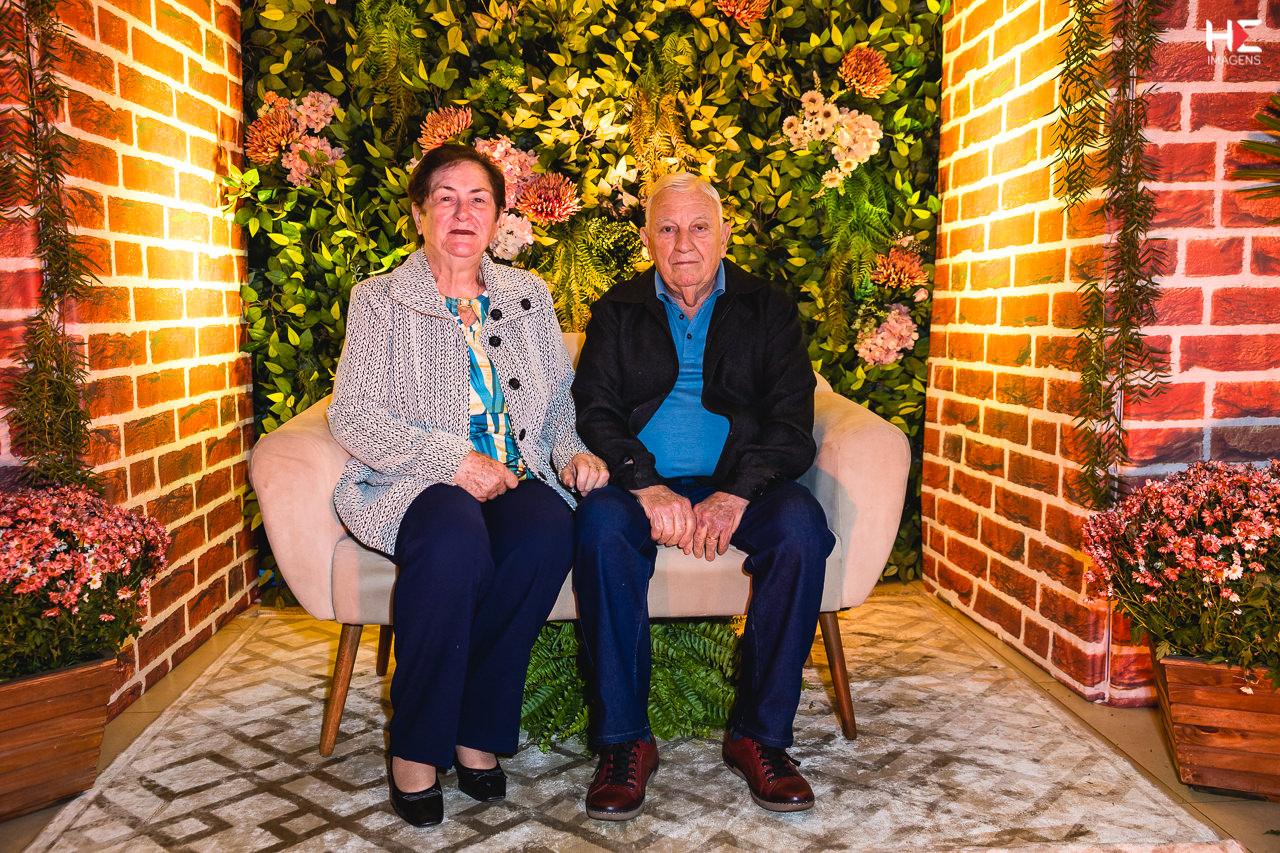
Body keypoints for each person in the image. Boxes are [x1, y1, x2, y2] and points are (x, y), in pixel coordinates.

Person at [327, 144, 608, 828]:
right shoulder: (380, 300)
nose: (462, 212)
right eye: (445, 198)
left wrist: (573, 453)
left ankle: (476, 727)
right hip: (419, 479)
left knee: (547, 533)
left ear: (498, 216)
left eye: (478, 199)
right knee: (453, 543)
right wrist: (453, 460)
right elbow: (353, 414)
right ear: (419, 214)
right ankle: (415, 745)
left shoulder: (528, 295)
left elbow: (560, 402)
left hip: (517, 470)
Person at [571, 172, 836, 819]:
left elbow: (791, 423)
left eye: (698, 227)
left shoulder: (768, 308)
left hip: (740, 482)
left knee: (801, 528)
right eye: (667, 228)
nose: (683, 243)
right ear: (647, 239)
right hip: (640, 485)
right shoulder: (616, 310)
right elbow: (596, 411)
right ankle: (625, 742)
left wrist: (737, 494)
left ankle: (759, 736)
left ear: (724, 234)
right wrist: (645, 483)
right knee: (600, 529)